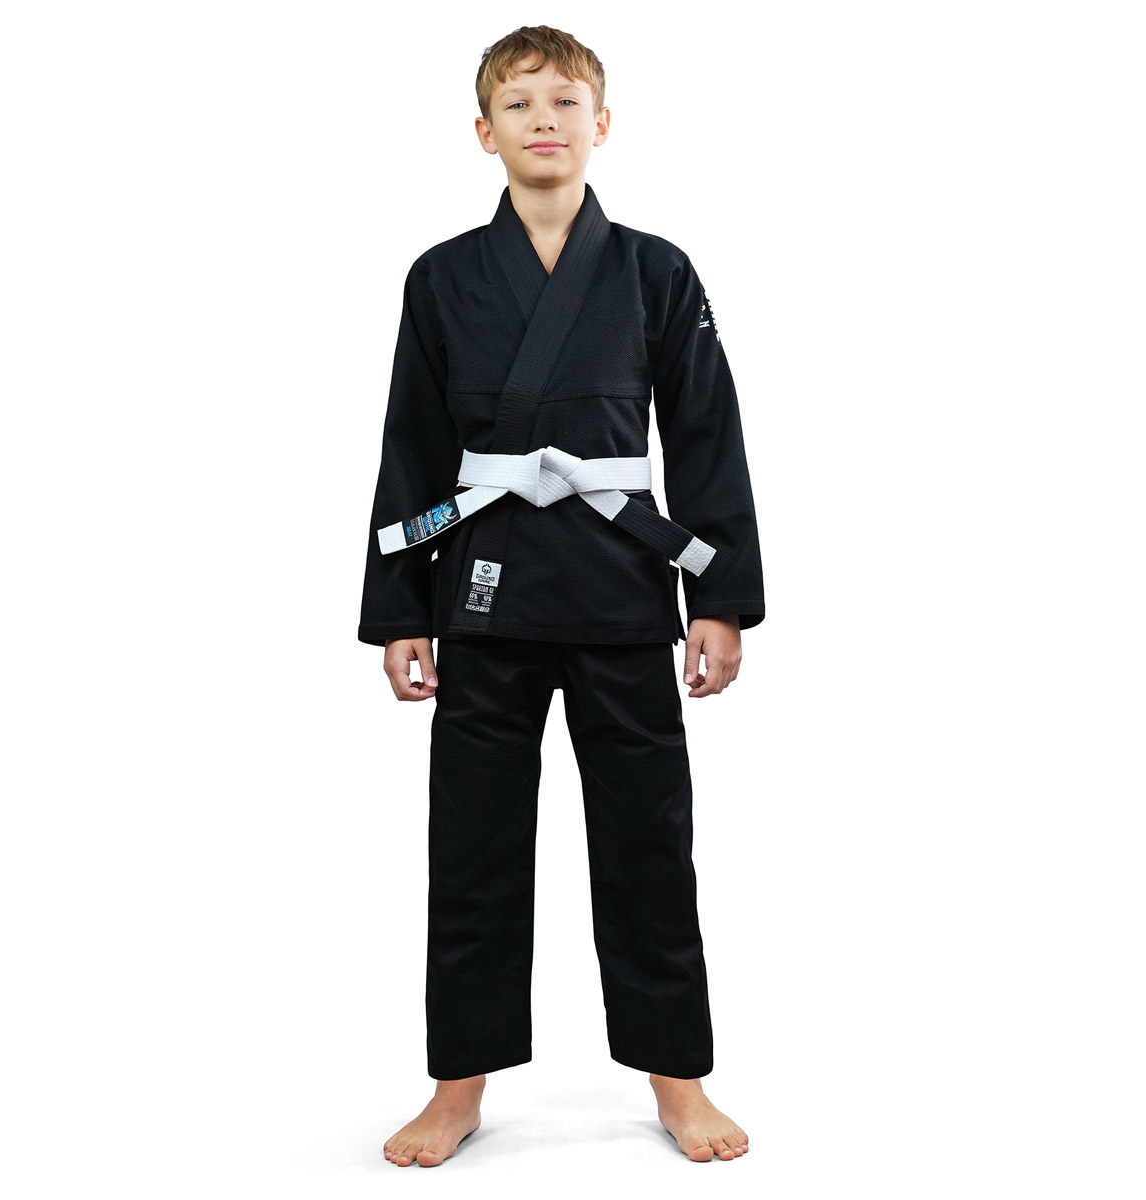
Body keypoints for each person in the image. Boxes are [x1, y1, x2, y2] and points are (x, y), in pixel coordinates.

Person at [359, 25, 764, 1166]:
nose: (546, 118)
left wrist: (719, 596)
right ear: (483, 132)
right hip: (483, 592)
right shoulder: (442, 277)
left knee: (649, 842)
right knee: (474, 847)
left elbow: (706, 434)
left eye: (567, 100)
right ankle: (458, 1084)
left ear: (603, 123)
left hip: (622, 588)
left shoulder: (656, 270)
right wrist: (399, 609)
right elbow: (411, 444)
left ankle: (677, 1076)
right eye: (521, 103)